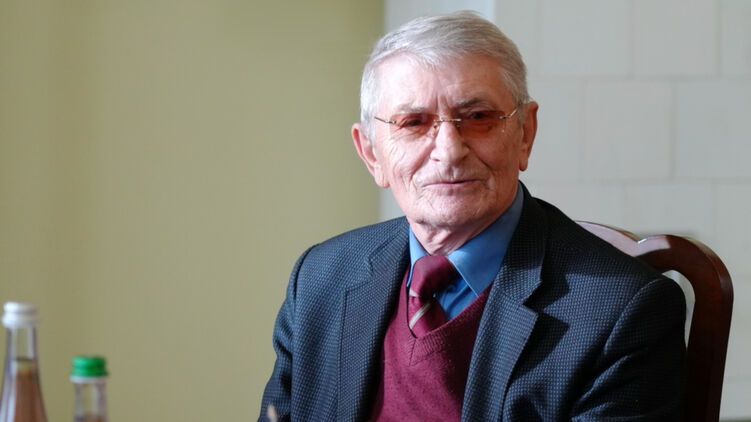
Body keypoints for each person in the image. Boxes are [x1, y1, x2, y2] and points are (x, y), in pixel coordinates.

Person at [259, 11, 685, 421]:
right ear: (371, 154)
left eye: (478, 117)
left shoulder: (621, 311)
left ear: (525, 134)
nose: (449, 151)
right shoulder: (320, 277)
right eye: (413, 122)